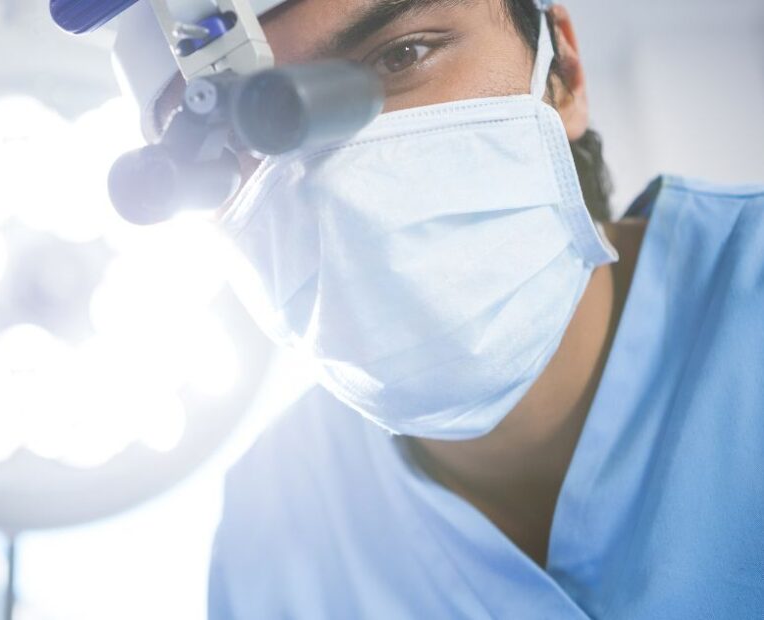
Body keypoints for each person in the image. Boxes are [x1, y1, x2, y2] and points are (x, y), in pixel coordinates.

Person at [139, 0, 764, 617]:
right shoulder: (271, 531)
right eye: (234, 134)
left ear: (563, 74)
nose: (333, 182)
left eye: (402, 55)